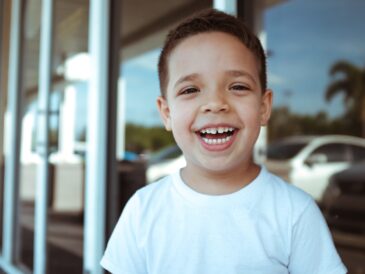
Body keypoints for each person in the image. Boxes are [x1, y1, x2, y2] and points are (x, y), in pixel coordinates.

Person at [101, 9, 347, 274]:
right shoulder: (143, 209)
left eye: (238, 86)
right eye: (190, 90)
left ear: (263, 107)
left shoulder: (294, 212)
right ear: (167, 113)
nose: (215, 104)